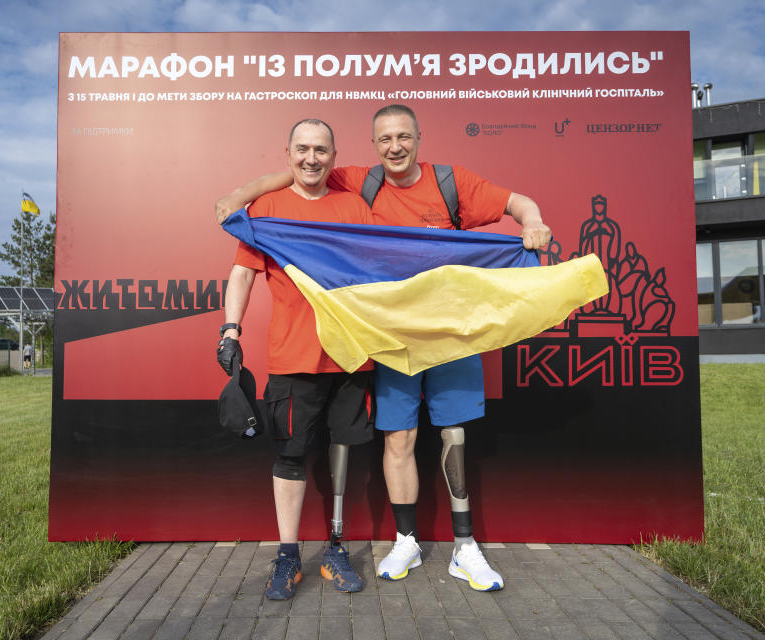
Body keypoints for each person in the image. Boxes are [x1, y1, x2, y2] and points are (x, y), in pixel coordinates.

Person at [215, 105, 552, 592]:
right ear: (372, 146)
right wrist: (238, 196)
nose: (395, 147)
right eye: (385, 139)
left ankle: (460, 547)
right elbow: (283, 193)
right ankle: (371, 544)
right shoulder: (324, 195)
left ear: (418, 137)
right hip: (360, 346)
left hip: (414, 340)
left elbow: (514, 204)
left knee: (440, 437)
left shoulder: (414, 188)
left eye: (403, 137)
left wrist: (534, 222)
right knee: (377, 442)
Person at [216, 118, 375, 600]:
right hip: (292, 358)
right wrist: (229, 328)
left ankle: (335, 547)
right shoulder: (267, 208)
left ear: (334, 155)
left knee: (343, 449)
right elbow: (242, 275)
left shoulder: (354, 206)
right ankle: (287, 555)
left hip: (351, 357)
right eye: (303, 149)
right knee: (289, 454)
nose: (312, 158)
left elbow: (381, 271)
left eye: (321, 150)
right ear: (287, 155)